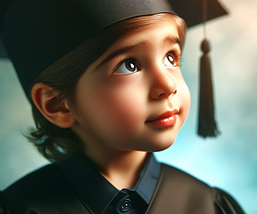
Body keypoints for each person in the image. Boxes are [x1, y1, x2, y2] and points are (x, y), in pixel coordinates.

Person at [0, 0, 244, 213]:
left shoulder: (208, 206)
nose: (168, 84)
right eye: (129, 65)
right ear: (57, 105)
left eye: (170, 57)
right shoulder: (22, 207)